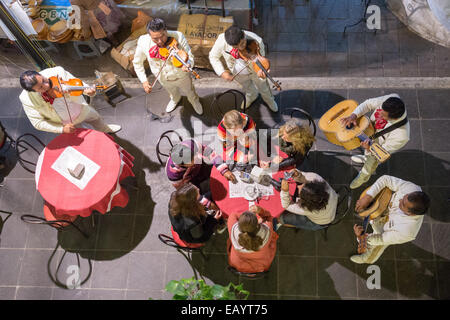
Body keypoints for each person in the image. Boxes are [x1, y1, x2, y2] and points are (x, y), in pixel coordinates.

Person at [351, 175, 430, 264]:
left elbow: (381, 238)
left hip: (386, 231)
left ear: (411, 214)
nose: (400, 200)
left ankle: (368, 258)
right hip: (381, 209)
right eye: (404, 197)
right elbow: (386, 179)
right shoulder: (412, 188)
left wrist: (361, 238)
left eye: (403, 205)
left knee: (377, 246)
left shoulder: (406, 232)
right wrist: (368, 197)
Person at [132, 18, 203, 115]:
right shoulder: (143, 42)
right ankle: (175, 99)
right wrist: (144, 81)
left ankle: (194, 100)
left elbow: (190, 56)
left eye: (163, 36)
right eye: (155, 39)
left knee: (190, 91)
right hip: (162, 78)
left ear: (166, 30)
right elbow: (137, 63)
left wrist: (188, 64)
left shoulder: (178, 36)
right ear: (149, 35)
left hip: (181, 76)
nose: (160, 41)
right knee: (171, 92)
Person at [19, 67, 121, 134]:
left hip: (82, 109)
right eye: (41, 88)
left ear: (40, 74)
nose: (47, 85)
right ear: (32, 91)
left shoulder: (57, 72)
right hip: (66, 122)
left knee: (96, 118)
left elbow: (77, 83)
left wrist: (88, 91)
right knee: (83, 134)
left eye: (44, 80)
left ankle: (105, 129)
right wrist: (61, 129)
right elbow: (37, 123)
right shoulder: (26, 99)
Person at [341, 94, 410, 189]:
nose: (380, 114)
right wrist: (354, 115)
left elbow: (382, 153)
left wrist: (370, 149)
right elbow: (368, 104)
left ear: (394, 118)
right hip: (370, 133)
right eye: (381, 110)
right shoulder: (392, 98)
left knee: (371, 162)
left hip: (378, 147)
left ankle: (363, 177)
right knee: (367, 154)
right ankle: (365, 157)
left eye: (384, 115)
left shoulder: (402, 136)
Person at [209, 25, 278, 112]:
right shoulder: (221, 40)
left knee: (263, 87)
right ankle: (251, 95)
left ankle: (269, 100)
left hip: (254, 71)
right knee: (246, 87)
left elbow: (261, 58)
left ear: (244, 35)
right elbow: (213, 56)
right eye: (236, 47)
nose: (241, 48)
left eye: (242, 43)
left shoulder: (257, 40)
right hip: (237, 72)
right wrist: (222, 72)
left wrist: (261, 70)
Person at [166, 138, 237, 190]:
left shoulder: (191, 144)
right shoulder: (173, 175)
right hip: (192, 180)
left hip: (201, 167)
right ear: (182, 165)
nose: (196, 157)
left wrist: (223, 170)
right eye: (192, 161)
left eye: (193, 155)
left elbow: (209, 152)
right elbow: (184, 189)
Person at [227, 205, 279, 273]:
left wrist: (246, 218)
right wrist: (260, 211)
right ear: (257, 224)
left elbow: (233, 214)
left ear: (239, 225)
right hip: (261, 265)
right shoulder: (267, 231)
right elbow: (269, 217)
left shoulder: (233, 231)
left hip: (238, 264)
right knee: (274, 223)